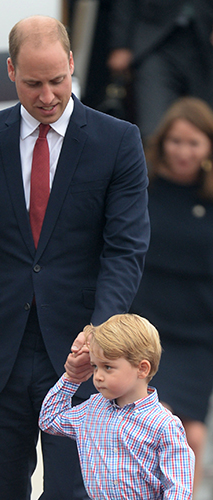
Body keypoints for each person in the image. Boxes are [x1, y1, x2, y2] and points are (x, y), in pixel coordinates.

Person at [0, 15, 150, 500]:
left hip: (82, 355)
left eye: (58, 80)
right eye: (33, 83)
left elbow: (126, 249)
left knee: (76, 493)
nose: (48, 95)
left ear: (72, 64)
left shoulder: (118, 141)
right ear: (11, 70)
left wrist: (100, 339)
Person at [130, 96, 213, 493]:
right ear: (162, 143)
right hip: (151, 330)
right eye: (176, 141)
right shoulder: (142, 189)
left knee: (193, 438)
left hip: (198, 335)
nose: (183, 152)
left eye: (193, 143)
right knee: (160, 428)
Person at [39, 313, 195, 499]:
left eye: (108, 367)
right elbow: (49, 419)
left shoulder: (164, 424)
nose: (98, 376)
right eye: (95, 366)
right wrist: (72, 378)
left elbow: (178, 487)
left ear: (142, 368)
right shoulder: (91, 410)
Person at [107, 0, 213, 141]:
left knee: (204, 126)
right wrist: (120, 44)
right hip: (154, 42)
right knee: (152, 126)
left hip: (205, 45)